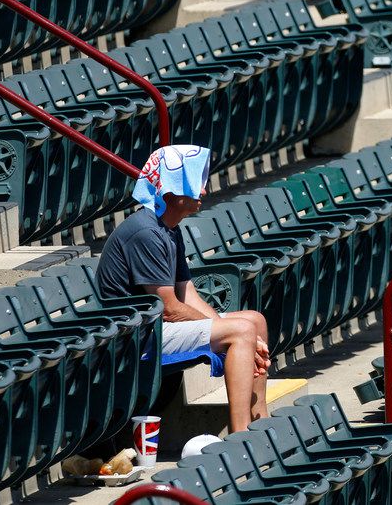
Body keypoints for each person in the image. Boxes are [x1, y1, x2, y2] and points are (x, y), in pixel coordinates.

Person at [95, 145, 271, 433]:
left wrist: (237, 331)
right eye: (194, 184)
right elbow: (170, 309)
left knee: (254, 321)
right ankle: (241, 434)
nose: (203, 192)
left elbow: (187, 292)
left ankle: (259, 419)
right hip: (134, 337)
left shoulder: (169, 228)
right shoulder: (146, 232)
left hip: (157, 327)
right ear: (173, 191)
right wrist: (235, 333)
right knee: (242, 332)